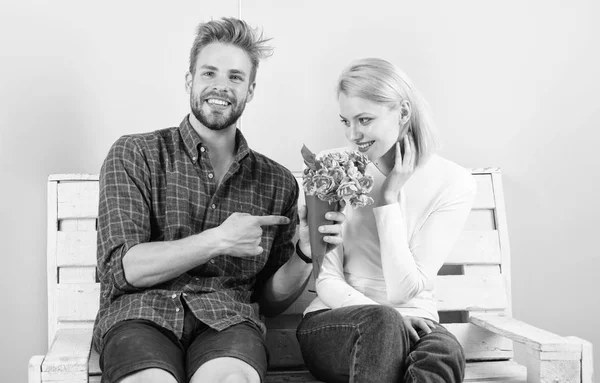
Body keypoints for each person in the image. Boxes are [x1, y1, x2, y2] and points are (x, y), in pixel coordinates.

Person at [93, 17, 343, 383]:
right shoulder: (136, 154)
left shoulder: (277, 182)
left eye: (235, 77)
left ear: (250, 90)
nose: (221, 86)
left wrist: (305, 252)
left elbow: (270, 302)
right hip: (140, 316)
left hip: (229, 323)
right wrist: (220, 240)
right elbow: (124, 268)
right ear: (189, 80)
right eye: (209, 73)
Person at [296, 58, 477, 382]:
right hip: (336, 320)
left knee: (444, 351)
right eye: (346, 121)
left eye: (364, 120)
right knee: (383, 326)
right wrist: (388, 318)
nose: (354, 135)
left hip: (417, 321)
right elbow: (326, 277)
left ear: (403, 113)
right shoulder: (329, 168)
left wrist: (388, 198)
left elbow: (404, 290)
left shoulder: (453, 182)